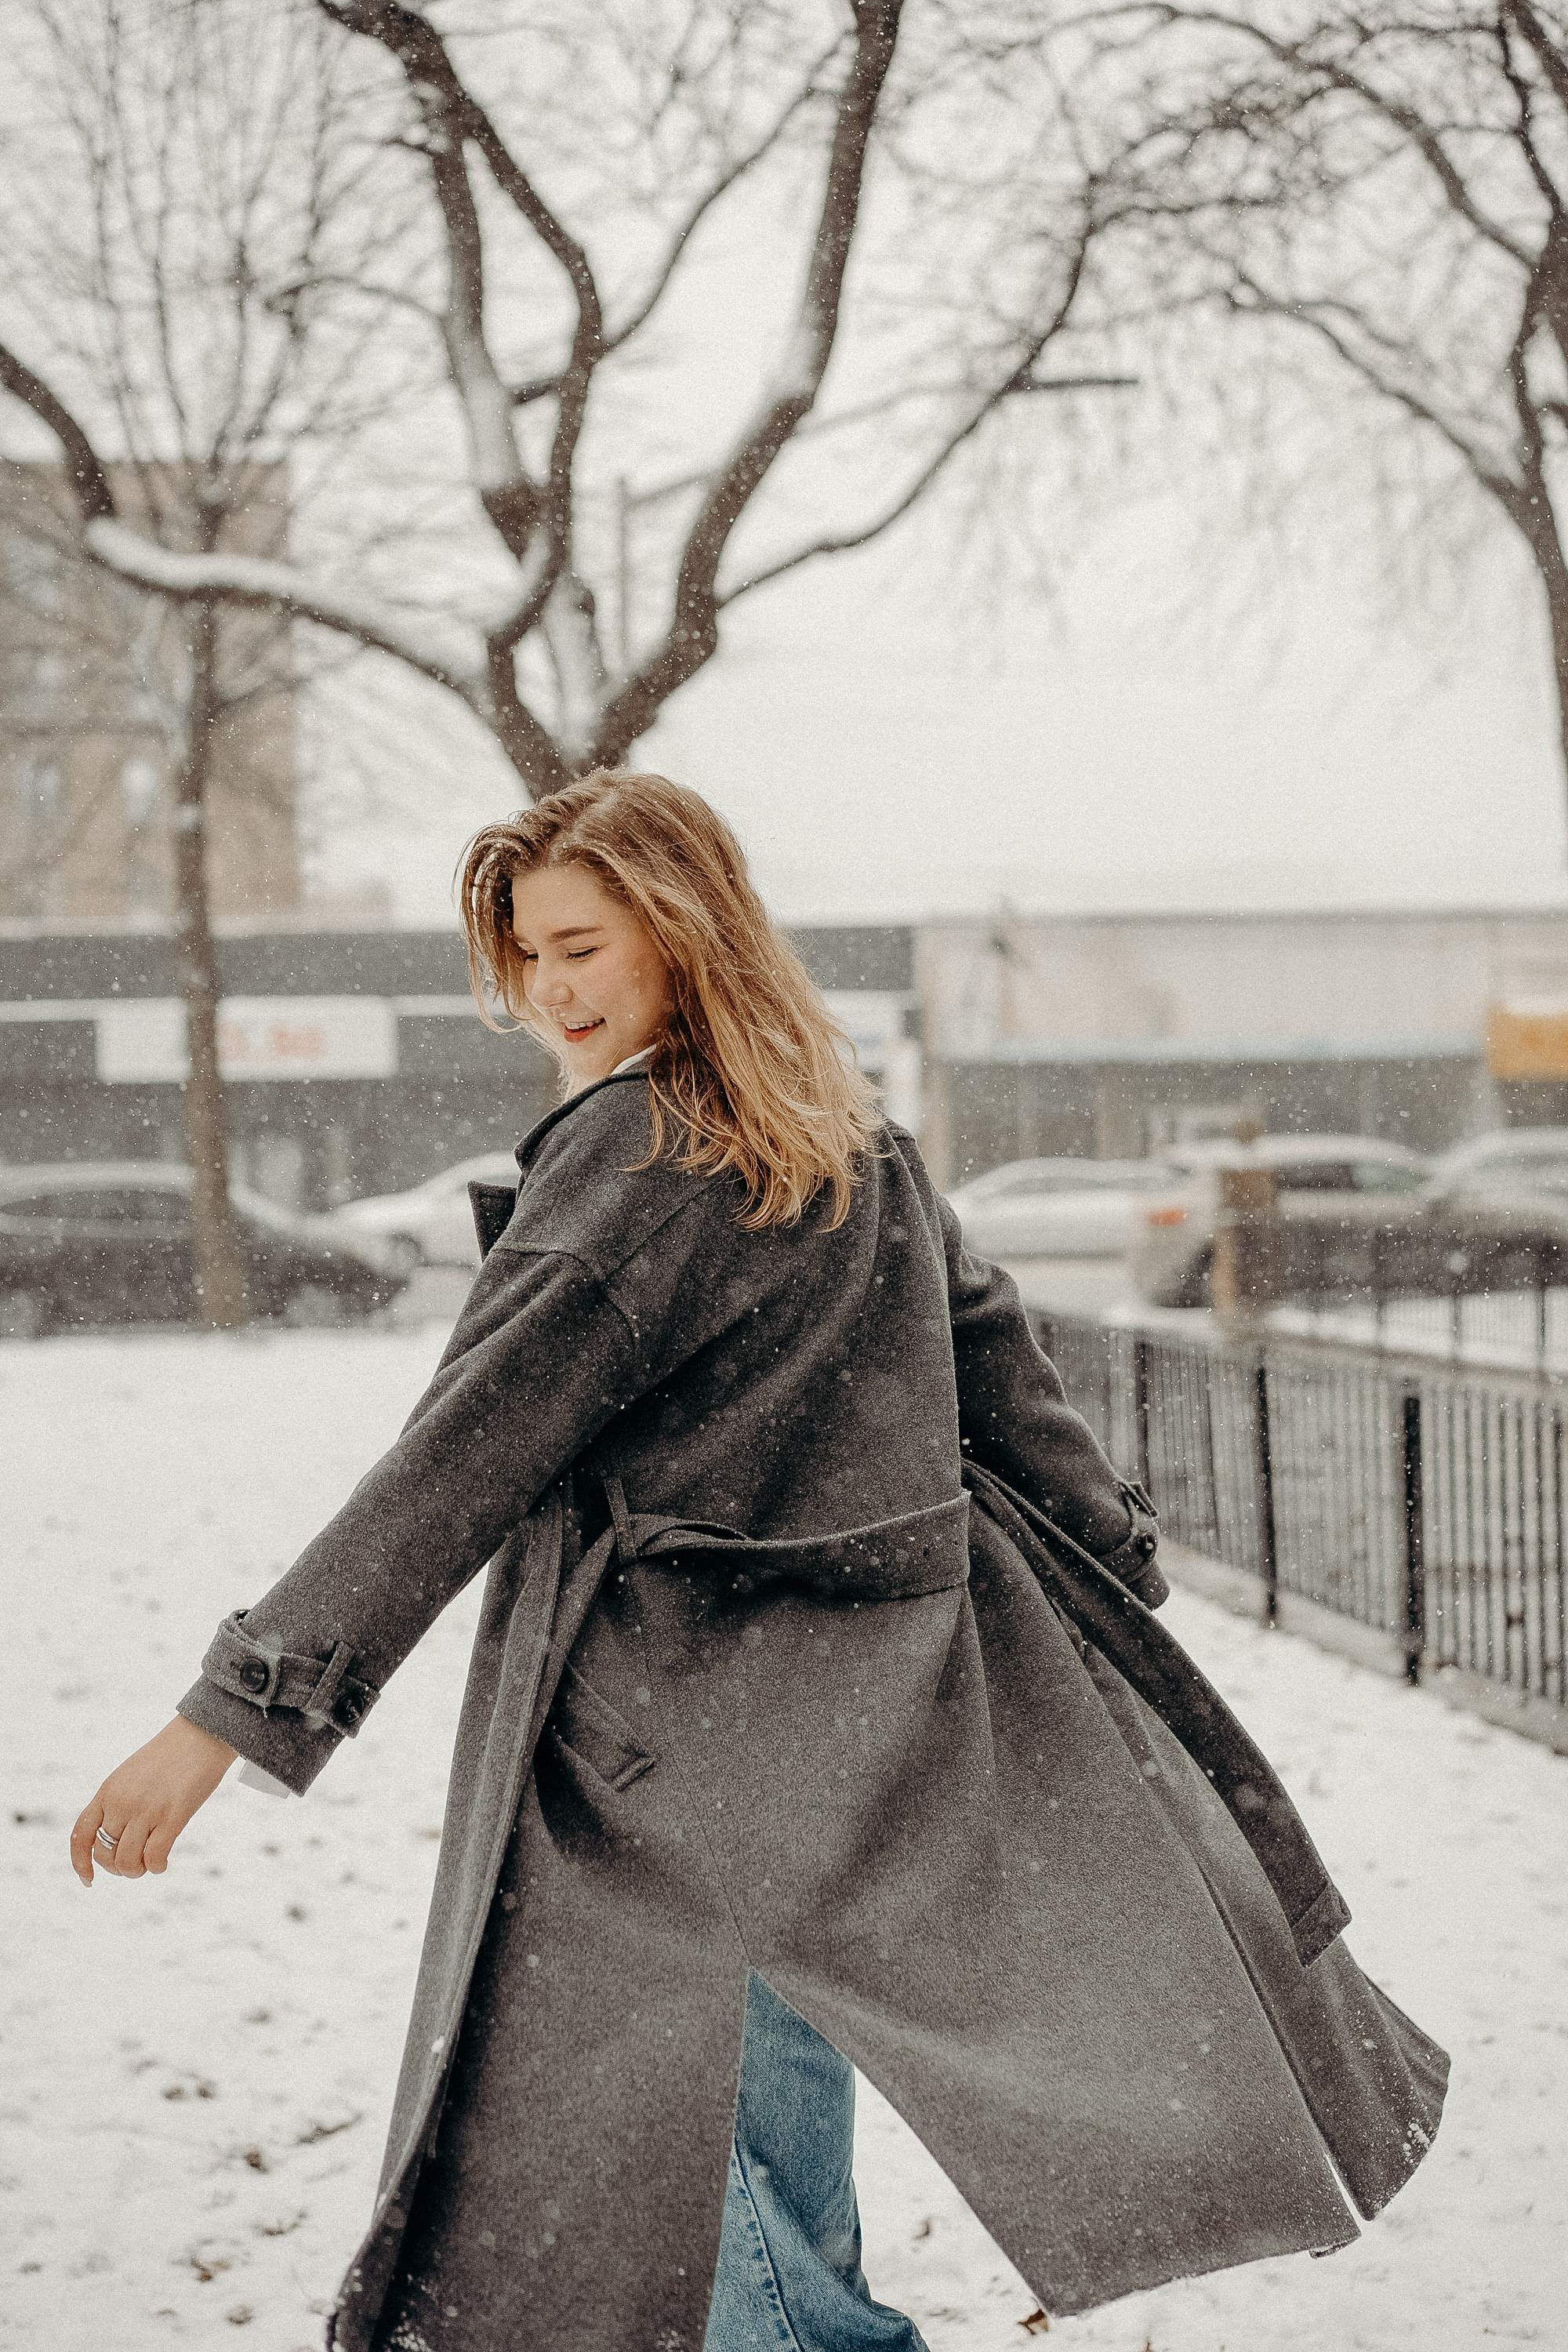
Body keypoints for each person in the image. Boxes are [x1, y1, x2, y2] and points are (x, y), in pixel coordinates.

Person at [72, 773, 1447, 2352]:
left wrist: (233, 1713)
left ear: (683, 929)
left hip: (671, 1754)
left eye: (581, 947)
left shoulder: (636, 1163)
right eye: (528, 957)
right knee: (763, 2132)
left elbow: (456, 1460)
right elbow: (1007, 1384)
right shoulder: (844, 1133)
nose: (548, 991)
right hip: (862, 1733)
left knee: (708, 2169)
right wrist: (1113, 1571)